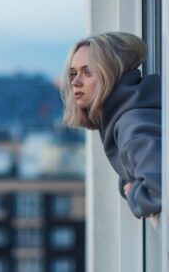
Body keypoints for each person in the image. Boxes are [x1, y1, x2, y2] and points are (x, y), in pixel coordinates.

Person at [60, 32, 161, 218]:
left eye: (87, 72)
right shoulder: (129, 114)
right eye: (73, 73)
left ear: (111, 74)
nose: (75, 82)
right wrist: (127, 184)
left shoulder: (132, 127)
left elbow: (159, 190)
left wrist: (133, 192)